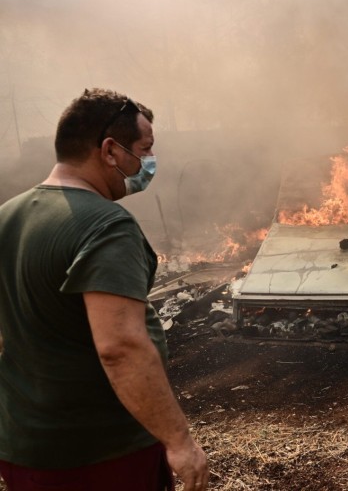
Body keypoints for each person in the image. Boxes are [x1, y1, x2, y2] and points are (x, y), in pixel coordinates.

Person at [0, 89, 208, 490]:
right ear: (110, 151)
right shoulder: (107, 226)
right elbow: (121, 347)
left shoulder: (7, 217)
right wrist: (180, 442)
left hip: (24, 449)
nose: (149, 163)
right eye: (144, 150)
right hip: (101, 452)